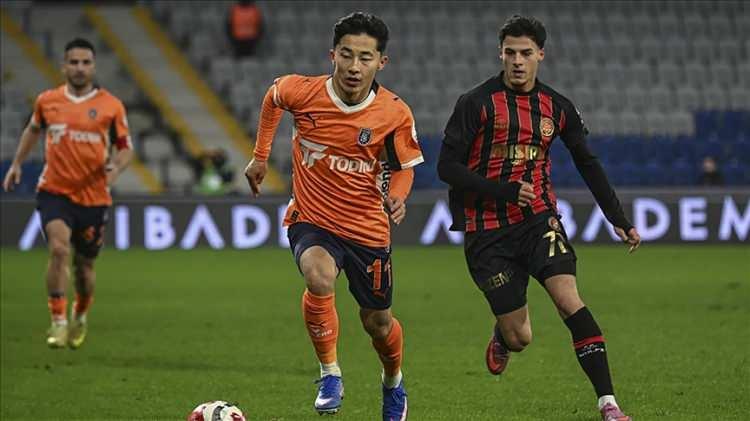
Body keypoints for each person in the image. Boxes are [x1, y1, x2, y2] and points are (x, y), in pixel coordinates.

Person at [437, 16, 640, 421]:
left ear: (540, 55)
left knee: (569, 300)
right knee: (520, 337)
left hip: (538, 220)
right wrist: (504, 190)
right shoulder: (475, 103)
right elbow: (447, 167)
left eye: (525, 53)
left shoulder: (557, 107)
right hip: (487, 231)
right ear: (500, 54)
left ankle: (609, 403)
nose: (517, 61)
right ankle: (503, 336)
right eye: (510, 52)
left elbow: (586, 162)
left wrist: (616, 216)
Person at [243, 12, 422, 420]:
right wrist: (260, 156)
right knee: (318, 275)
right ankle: (330, 374)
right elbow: (273, 98)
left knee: (378, 323)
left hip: (367, 229)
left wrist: (397, 196)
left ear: (381, 62)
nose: (354, 66)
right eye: (346, 54)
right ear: (332, 55)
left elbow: (405, 167)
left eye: (365, 57)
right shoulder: (303, 91)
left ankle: (393, 381)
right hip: (313, 218)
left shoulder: (394, 113)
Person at [2, 38, 133, 349]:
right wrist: (17, 164)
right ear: (64, 66)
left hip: (94, 197)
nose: (79, 68)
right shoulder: (47, 101)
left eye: (85, 62)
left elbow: (125, 148)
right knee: (59, 250)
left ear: (93, 66)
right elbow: (32, 130)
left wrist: (115, 168)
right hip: (55, 191)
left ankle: (80, 314)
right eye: (74, 62)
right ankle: (58, 321)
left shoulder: (111, 106)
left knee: (84, 269)